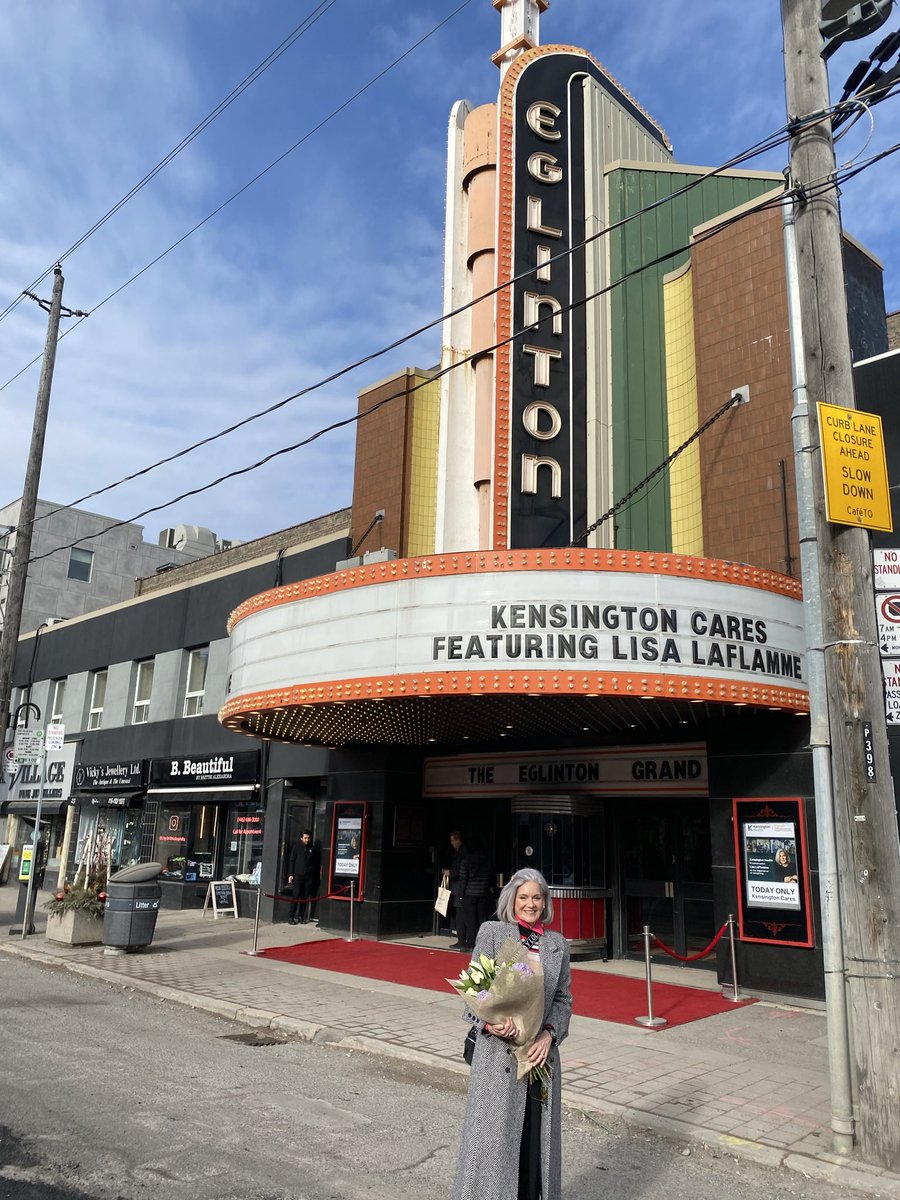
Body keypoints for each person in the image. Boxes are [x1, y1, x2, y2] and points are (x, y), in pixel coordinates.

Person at [453, 868, 572, 1200]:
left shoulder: (557, 944)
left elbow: (563, 998)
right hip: (496, 1058)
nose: (530, 904)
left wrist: (550, 1035)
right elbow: (473, 990)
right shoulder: (492, 933)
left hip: (538, 1059)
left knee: (534, 1142)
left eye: (536, 897)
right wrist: (491, 1023)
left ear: (545, 902)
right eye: (523, 897)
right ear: (511, 900)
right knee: (490, 1144)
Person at [457, 836, 493, 953]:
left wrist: (461, 894)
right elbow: (489, 875)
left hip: (469, 893)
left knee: (470, 920)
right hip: (482, 892)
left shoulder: (466, 860)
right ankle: (483, 942)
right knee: (481, 918)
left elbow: (463, 879)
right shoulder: (486, 859)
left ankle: (471, 943)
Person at [287, 830, 317, 925]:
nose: (307, 840)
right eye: (305, 838)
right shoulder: (297, 846)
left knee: (304, 897)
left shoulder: (312, 848)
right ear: (301, 838)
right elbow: (292, 860)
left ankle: (301, 917)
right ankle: (291, 917)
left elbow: (314, 862)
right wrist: (291, 874)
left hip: (308, 877)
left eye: (308, 838)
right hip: (298, 875)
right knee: (296, 896)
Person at [447, 830, 468, 949]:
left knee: (460, 915)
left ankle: (461, 940)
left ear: (458, 840)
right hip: (458, 887)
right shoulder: (458, 852)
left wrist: (451, 873)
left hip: (460, 888)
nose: (451, 843)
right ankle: (461, 938)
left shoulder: (462, 854)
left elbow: (461, 872)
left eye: (453, 841)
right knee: (459, 914)